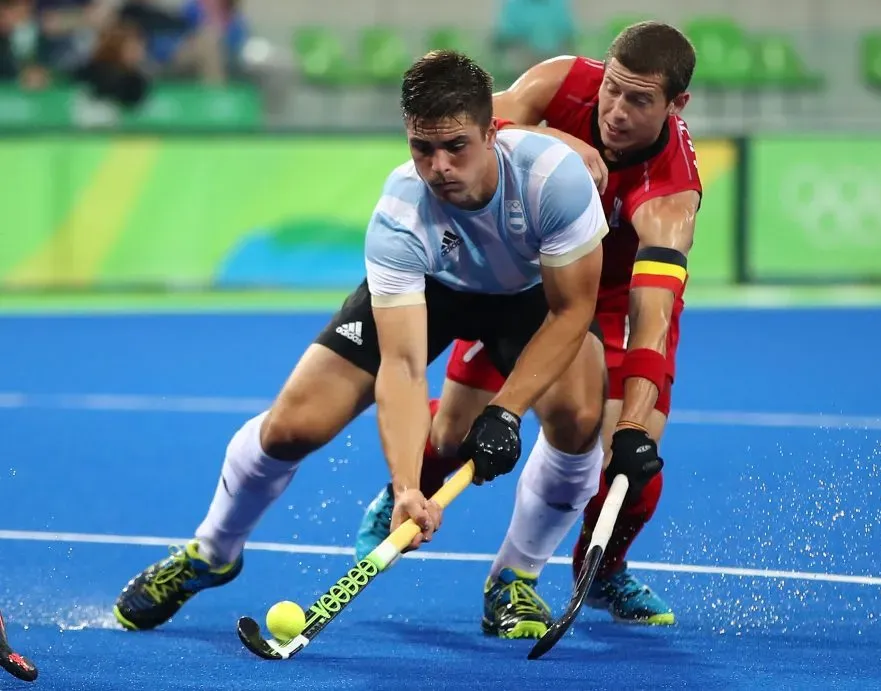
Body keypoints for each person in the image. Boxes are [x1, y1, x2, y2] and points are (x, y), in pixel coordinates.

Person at [112, 49, 665, 640]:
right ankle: (212, 551)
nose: (439, 166)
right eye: (422, 148)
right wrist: (408, 487)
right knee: (292, 426)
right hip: (435, 288)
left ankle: (514, 579)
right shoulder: (401, 211)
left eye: (456, 146)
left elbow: (571, 309)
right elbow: (401, 367)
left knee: (580, 416)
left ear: (492, 132)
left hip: (529, 296)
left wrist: (506, 410)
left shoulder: (553, 180)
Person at [354, 20, 701, 627]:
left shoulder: (670, 198)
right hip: (525, 282)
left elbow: (651, 321)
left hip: (614, 304)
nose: (615, 112)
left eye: (639, 100)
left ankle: (586, 572)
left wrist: (637, 424)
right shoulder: (564, 80)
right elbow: (485, 123)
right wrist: (559, 142)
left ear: (677, 106)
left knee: (631, 469)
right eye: (612, 91)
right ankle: (397, 493)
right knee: (449, 439)